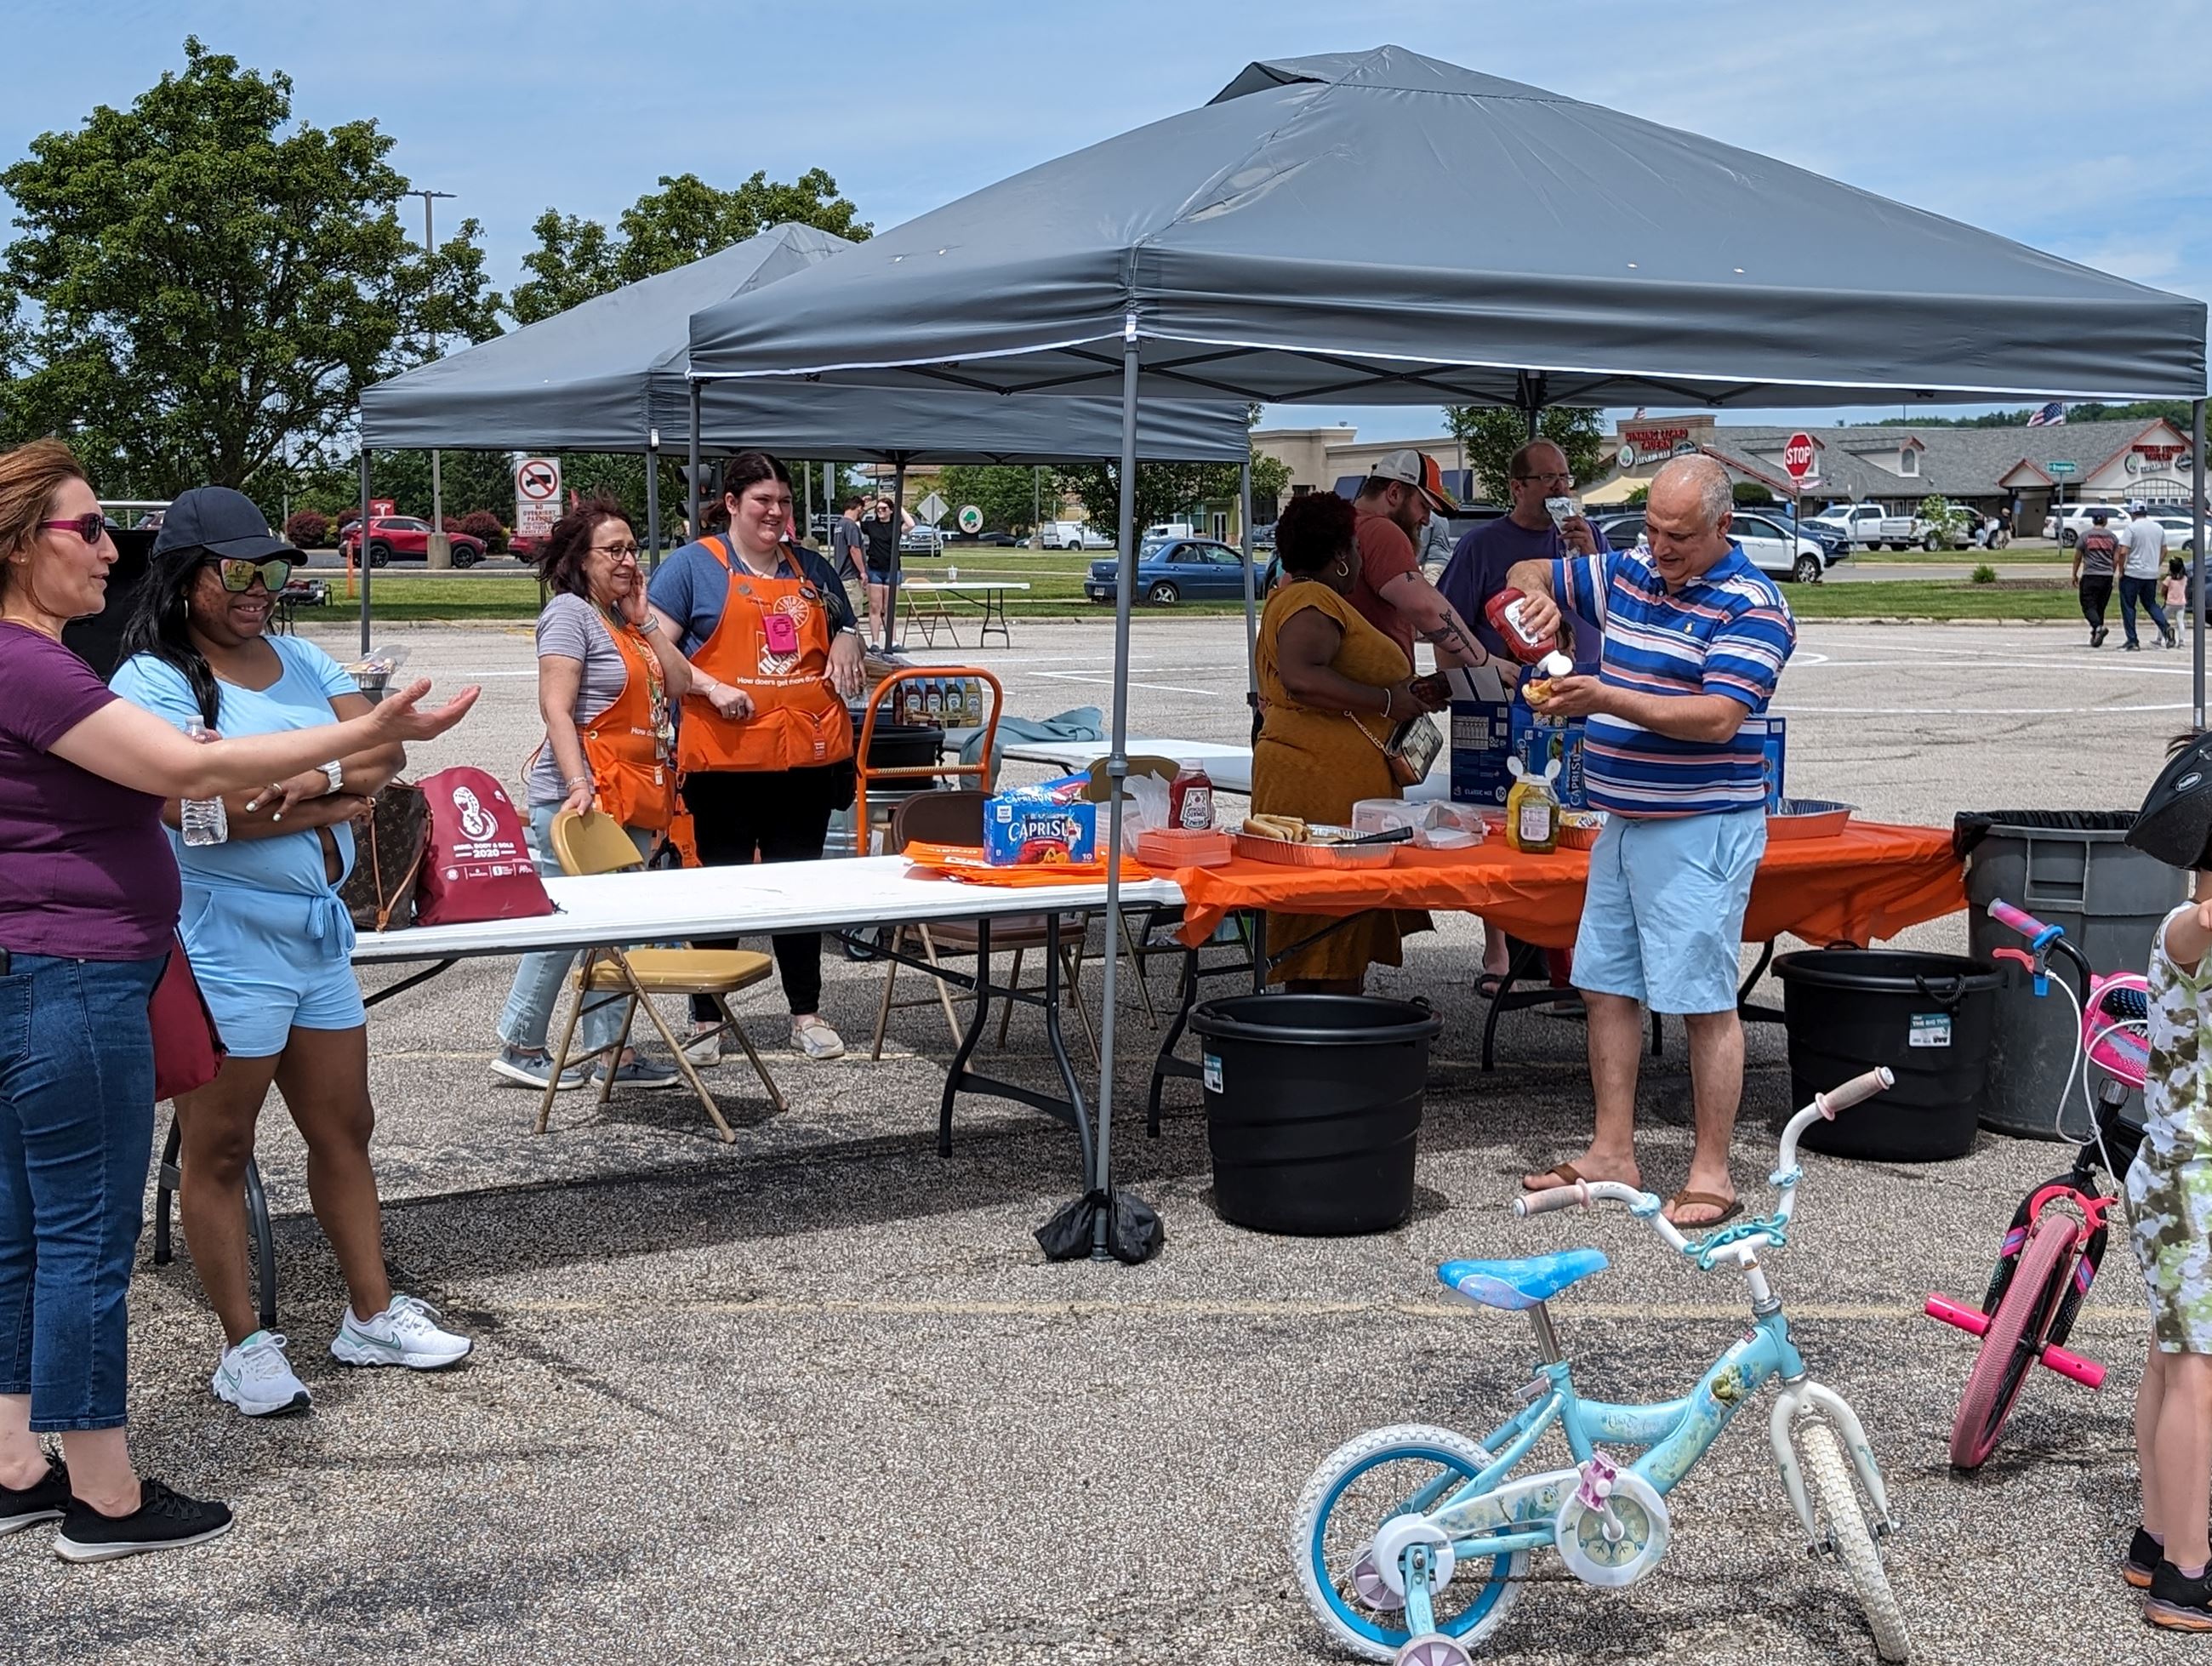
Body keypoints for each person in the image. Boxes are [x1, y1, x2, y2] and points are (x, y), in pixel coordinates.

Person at [0, 440, 476, 1560]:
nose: (110, 551)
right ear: (22, 543)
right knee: (84, 1236)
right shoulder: (40, 666)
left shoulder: (39, 662)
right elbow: (194, 782)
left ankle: (19, 1461)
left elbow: (245, 785)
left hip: (61, 966)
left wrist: (316, 772)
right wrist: (366, 735)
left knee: (26, 1229)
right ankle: (105, 1495)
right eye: (89, 529)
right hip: (74, 973)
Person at [109, 488, 472, 1420]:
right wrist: (322, 801)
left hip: (313, 929)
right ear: (184, 578)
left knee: (345, 1124)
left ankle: (372, 1313)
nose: (261, 586)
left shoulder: (303, 657)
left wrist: (301, 778)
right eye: (238, 570)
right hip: (222, 933)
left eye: (274, 569)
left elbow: (381, 755)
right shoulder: (151, 681)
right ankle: (242, 1342)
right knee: (221, 1143)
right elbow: (189, 811)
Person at [1507, 454, 1797, 1228]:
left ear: (1723, 527)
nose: (1659, 549)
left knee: (1703, 999)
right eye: (1651, 530)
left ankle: (1712, 1170)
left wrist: (1602, 693)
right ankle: (1612, 1151)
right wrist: (1536, 600)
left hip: (1701, 829)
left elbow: (1716, 719)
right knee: (1605, 984)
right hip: (1624, 820)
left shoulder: (1754, 605)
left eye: (1678, 536)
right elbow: (1529, 564)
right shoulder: (1632, 569)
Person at [648, 452, 866, 1062]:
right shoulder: (692, 568)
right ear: (732, 504)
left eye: (784, 502)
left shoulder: (814, 569)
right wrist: (709, 686)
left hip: (804, 762)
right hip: (724, 764)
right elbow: (653, 649)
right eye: (763, 501)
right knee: (719, 892)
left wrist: (848, 635)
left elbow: (846, 623)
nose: (775, 513)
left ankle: (806, 1013)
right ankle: (706, 1019)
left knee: (797, 892)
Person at [493, 496, 693, 1093]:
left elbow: (681, 683)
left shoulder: (626, 622)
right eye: (614, 550)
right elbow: (556, 705)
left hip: (629, 795)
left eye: (634, 549)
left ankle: (611, 1050)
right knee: (570, 924)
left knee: (615, 926)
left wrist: (647, 617)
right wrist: (578, 783)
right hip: (582, 798)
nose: (629, 559)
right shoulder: (568, 616)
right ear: (580, 560)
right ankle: (520, 1041)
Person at [1251, 489, 1445, 992]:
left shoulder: (1307, 598)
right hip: (1316, 784)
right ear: (1341, 557)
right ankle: (1325, 1042)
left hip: (1332, 780)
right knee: (1324, 934)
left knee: (1339, 934)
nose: (1362, 558)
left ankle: (1331, 1033)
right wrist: (1385, 700)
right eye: (1356, 549)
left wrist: (1407, 694)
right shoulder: (1309, 600)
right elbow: (1302, 677)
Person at [1436, 439, 1608, 982]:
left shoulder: (1590, 541)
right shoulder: (1484, 546)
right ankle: (1498, 950)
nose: (1562, 489)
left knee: (1573, 822)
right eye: (1548, 479)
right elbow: (1446, 625)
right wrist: (1477, 680)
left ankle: (1570, 952)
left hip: (1581, 702)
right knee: (1498, 825)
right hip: (1506, 707)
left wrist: (1586, 552)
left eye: (1565, 478)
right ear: (1517, 486)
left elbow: (1618, 611)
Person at [2124, 741, 2212, 1628]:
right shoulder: (2190, 925)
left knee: (2167, 1356)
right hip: (2193, 1180)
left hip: (2172, 1171)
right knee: (2196, 1373)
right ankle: (2191, 1570)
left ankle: (2155, 1538)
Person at [1348, 449, 1491, 670]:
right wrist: (1485, 660)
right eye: (1424, 506)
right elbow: (1424, 607)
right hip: (1368, 696)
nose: (1426, 520)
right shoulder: (1381, 530)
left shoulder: (1339, 525)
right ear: (1394, 493)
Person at [2120, 509, 2178, 651]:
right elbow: (2164, 550)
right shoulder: (2158, 528)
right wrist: (2155, 564)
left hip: (2133, 573)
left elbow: (2123, 551)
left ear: (2133, 514)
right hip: (2151, 574)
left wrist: (2121, 569)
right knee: (2150, 603)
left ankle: (2132, 640)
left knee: (2128, 606)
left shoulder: (2131, 528)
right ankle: (2166, 627)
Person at [2076, 511, 2121, 648]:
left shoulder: (2085, 536)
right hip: (2106, 576)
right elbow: (2116, 558)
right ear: (2105, 521)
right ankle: (2096, 634)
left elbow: (2078, 556)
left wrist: (2074, 573)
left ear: (2093, 521)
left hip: (2090, 574)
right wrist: (2111, 571)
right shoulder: (2112, 538)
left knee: (2088, 604)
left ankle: (2098, 628)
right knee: (2100, 606)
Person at [830, 496, 869, 596]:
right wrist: (862, 572)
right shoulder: (851, 525)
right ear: (859, 508)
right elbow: (854, 549)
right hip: (851, 577)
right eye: (862, 510)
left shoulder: (839, 525)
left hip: (841, 576)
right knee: (855, 610)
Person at [2168, 556, 2192, 636]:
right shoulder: (2185, 578)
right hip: (2181, 603)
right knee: (2180, 622)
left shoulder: (2169, 579)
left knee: (2162, 620)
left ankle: (2159, 638)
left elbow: (2163, 590)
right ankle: (2181, 641)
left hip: (2170, 603)